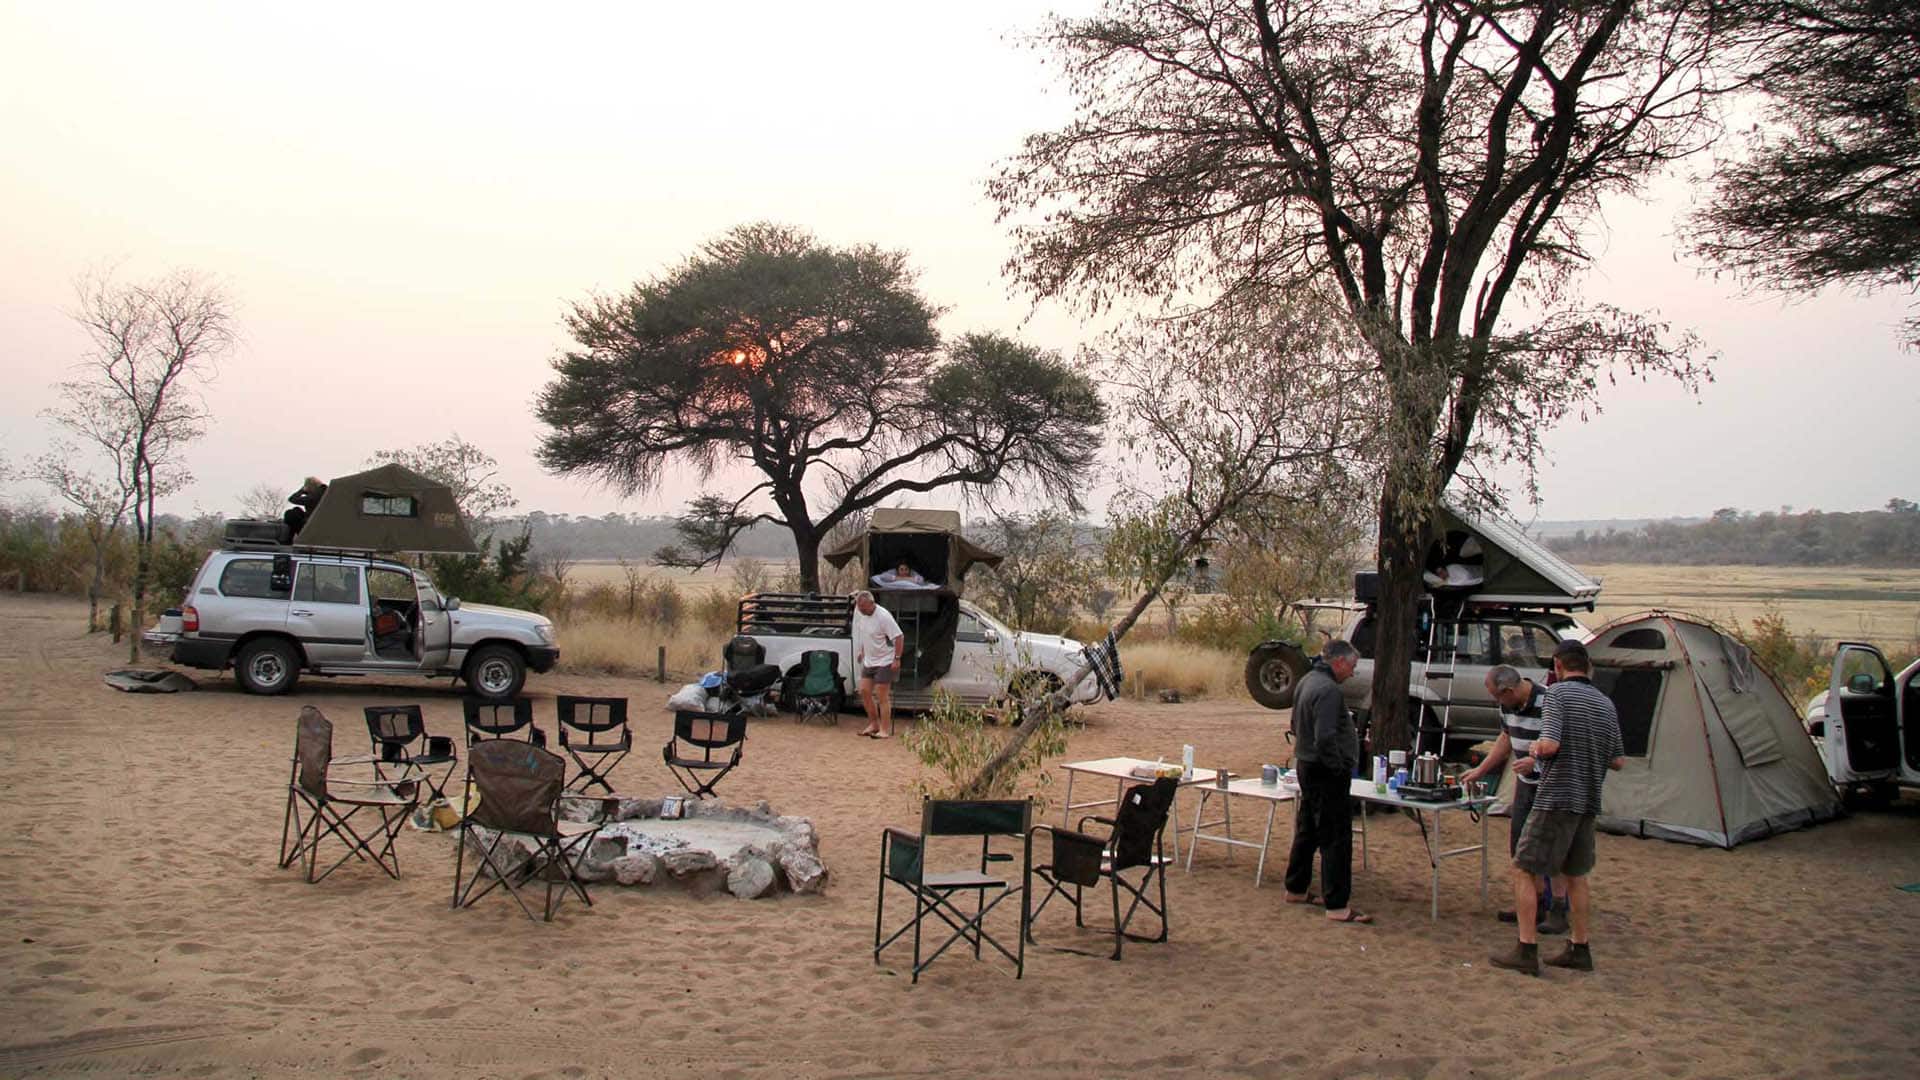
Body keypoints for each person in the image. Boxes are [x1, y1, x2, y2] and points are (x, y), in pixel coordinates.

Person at [1490, 641, 1624, 975]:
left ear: (1558, 665)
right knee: (1576, 875)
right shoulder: (1605, 702)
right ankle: (1580, 948)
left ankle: (1526, 949)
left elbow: (1550, 743)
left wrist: (1534, 751)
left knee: (1523, 868)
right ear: (1587, 665)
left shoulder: (1557, 695)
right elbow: (1618, 760)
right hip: (1588, 800)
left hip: (1556, 797)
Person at [1461, 665, 1569, 936]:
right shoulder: (1508, 707)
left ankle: (1558, 908)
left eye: (1499, 697)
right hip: (1525, 786)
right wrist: (1480, 770)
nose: (1498, 703)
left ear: (1509, 690)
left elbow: (1562, 743)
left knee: (1551, 847)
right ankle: (1533, 904)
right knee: (1521, 845)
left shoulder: (1549, 702)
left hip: (1550, 785)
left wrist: (1536, 760)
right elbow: (1506, 738)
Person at [1282, 640, 1371, 924]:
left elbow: (1295, 725)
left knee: (1308, 827)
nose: (1352, 673)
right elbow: (1325, 737)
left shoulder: (1307, 680)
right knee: (1335, 837)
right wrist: (1339, 765)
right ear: (1339, 662)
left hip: (1306, 765)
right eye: (1352, 667)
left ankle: (1296, 888)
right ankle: (1337, 905)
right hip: (1324, 770)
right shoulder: (1328, 690)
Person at [850, 590, 905, 739]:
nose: (861, 610)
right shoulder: (862, 616)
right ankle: (873, 724)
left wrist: (897, 658)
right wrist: (862, 651)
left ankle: (884, 729)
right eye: (859, 607)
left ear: (871, 603)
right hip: (869, 660)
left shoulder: (883, 616)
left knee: (882, 694)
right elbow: (865, 634)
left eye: (863, 607)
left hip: (885, 660)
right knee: (864, 691)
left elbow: (899, 637)